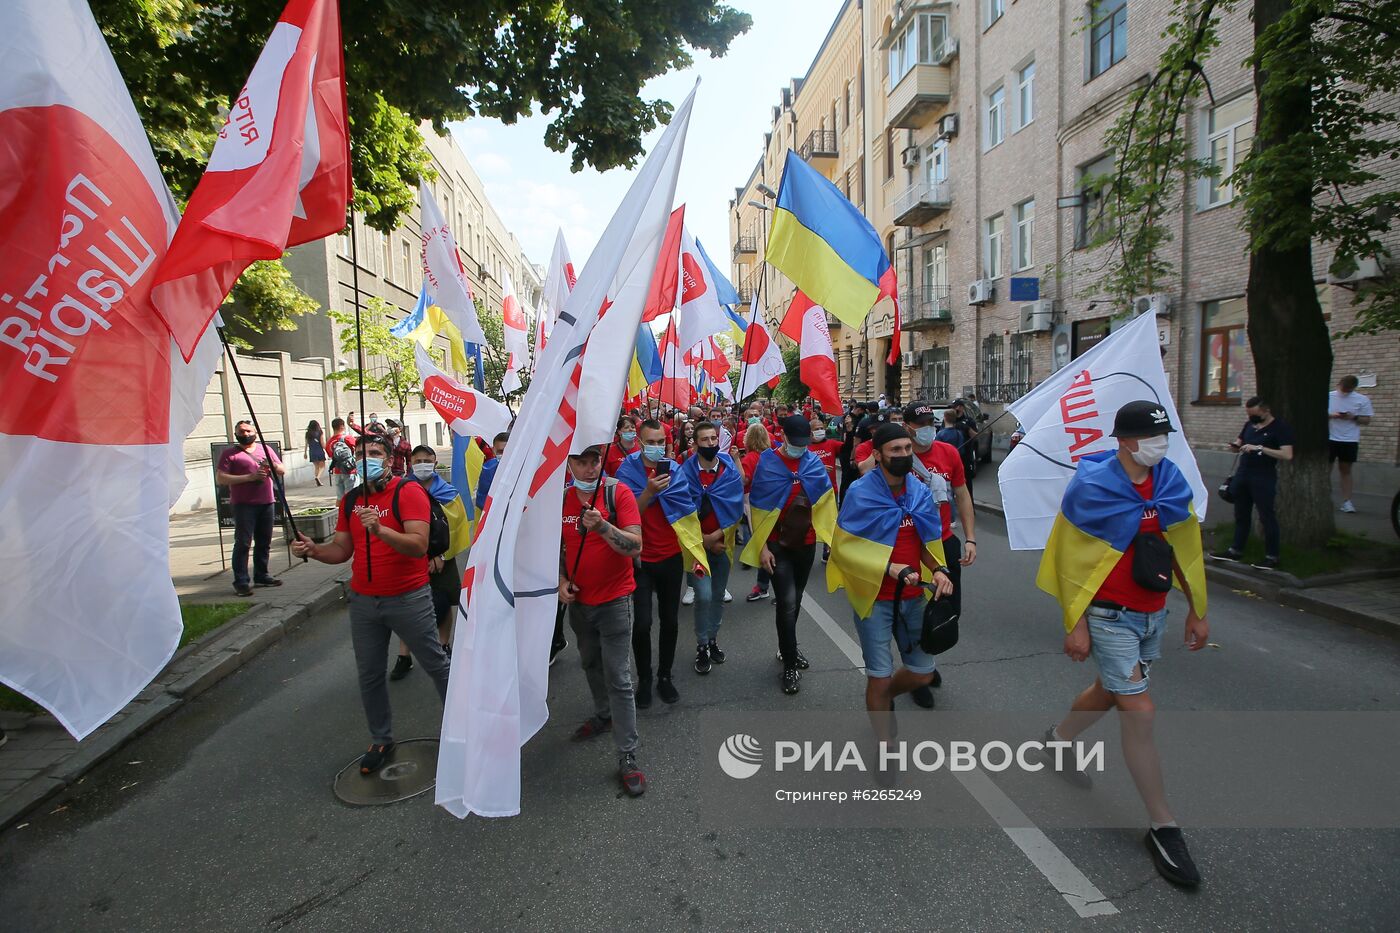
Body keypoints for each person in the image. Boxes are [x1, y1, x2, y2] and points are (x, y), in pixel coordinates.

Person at [1036, 401, 1210, 887]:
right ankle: (1163, 826)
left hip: (1154, 612)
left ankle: (1058, 739)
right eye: (1153, 436)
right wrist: (1076, 623)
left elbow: (1184, 547)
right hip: (1109, 616)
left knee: (1113, 692)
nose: (1162, 443)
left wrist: (1197, 610)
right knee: (1140, 710)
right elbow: (1070, 560)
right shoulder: (1092, 486)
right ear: (1126, 441)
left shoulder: (1171, 481)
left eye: (1165, 435)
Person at [291, 434, 451, 775]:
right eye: (362, 453)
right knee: (369, 674)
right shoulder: (350, 501)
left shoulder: (409, 493)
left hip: (408, 596)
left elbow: (417, 546)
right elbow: (341, 551)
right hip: (364, 601)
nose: (368, 458)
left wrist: (379, 529)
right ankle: (381, 738)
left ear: (391, 458)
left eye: (375, 452)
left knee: (436, 664)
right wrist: (313, 551)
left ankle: (462, 729)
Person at [830, 423, 954, 757]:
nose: (902, 455)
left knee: (922, 674)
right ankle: (886, 746)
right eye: (894, 450)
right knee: (879, 677)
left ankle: (885, 701)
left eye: (906, 449)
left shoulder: (918, 491)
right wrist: (890, 568)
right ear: (878, 455)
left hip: (914, 600)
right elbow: (844, 548)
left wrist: (939, 569)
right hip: (875, 599)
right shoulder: (860, 492)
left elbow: (926, 542)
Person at [559, 446, 647, 797]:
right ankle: (602, 713)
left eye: (594, 460)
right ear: (569, 464)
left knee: (619, 677)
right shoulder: (560, 499)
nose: (589, 467)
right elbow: (556, 549)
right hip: (580, 602)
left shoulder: (617, 491)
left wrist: (602, 526)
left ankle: (627, 755)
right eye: (580, 461)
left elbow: (635, 547)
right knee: (589, 661)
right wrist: (560, 580)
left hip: (615, 600)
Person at [741, 415, 837, 694]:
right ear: (782, 437)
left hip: (806, 543)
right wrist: (761, 547)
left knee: (797, 597)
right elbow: (756, 507)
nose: (800, 448)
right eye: (795, 443)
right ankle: (790, 664)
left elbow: (826, 501)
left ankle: (787, 649)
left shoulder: (812, 462)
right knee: (787, 602)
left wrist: (832, 538)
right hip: (776, 545)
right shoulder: (767, 463)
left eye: (804, 443)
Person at [903, 402, 979, 708]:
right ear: (907, 425)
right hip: (911, 545)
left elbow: (961, 493)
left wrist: (970, 538)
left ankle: (926, 661)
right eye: (919, 424)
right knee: (916, 613)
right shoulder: (899, 453)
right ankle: (917, 673)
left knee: (946, 610)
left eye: (930, 423)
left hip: (944, 541)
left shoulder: (947, 452)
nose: (927, 429)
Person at [616, 420, 694, 707]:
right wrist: (649, 492)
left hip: (670, 557)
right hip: (640, 560)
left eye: (662, 441)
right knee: (643, 624)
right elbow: (625, 515)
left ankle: (665, 676)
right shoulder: (627, 470)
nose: (658, 447)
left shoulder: (674, 470)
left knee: (670, 620)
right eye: (652, 441)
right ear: (639, 440)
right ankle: (645, 679)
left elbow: (686, 509)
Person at [389, 446, 468, 682]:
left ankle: (444, 646)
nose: (423, 464)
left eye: (427, 460)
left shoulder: (448, 492)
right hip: (411, 560)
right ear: (410, 462)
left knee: (444, 603)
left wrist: (442, 556)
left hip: (444, 560)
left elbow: (458, 528)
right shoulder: (401, 490)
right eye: (418, 460)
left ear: (434, 463)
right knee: (408, 609)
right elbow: (396, 525)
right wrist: (420, 556)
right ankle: (405, 655)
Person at [678, 422, 745, 674]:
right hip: (696, 547)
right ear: (695, 443)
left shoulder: (728, 471)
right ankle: (701, 644)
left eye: (713, 439)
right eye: (704, 440)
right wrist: (703, 539)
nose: (710, 444)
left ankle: (713, 638)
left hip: (721, 546)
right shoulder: (684, 473)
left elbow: (736, 508)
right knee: (703, 596)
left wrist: (718, 536)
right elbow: (680, 511)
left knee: (717, 596)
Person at [1215, 397, 1294, 570]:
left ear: (1266, 411)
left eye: (1255, 415)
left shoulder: (1280, 428)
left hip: (1263, 476)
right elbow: (1240, 441)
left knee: (1267, 516)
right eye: (1249, 414)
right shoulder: (1249, 425)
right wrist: (1236, 446)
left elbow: (1287, 455)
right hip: (1243, 474)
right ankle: (1236, 550)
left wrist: (1260, 448)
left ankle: (1272, 556)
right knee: (1241, 514)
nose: (1252, 418)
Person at [216, 421, 287, 597]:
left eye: (248, 430)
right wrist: (250, 477)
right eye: (241, 431)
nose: (245, 434)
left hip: (267, 502)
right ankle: (241, 581)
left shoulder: (266, 450)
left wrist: (273, 466)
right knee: (243, 543)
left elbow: (282, 470)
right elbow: (221, 478)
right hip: (243, 504)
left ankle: (262, 575)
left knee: (264, 541)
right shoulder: (229, 454)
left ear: (254, 431)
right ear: (235, 434)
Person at [1328, 375, 1373, 513]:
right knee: (1325, 469)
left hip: (1350, 439)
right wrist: (1333, 415)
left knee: (1345, 470)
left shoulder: (1361, 399)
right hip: (1330, 438)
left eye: (1348, 390)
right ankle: (1323, 498)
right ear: (1339, 384)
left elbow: (1367, 420)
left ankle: (1347, 502)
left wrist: (1353, 417)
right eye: (1344, 388)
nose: (1345, 391)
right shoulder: (1329, 396)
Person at [741, 422, 774, 602]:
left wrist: (736, 462)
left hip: (754, 504)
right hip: (774, 503)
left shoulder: (750, 458)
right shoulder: (772, 455)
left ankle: (762, 586)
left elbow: (744, 480)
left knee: (762, 543)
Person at [475, 432, 510, 511]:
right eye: (500, 451)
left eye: (507, 451)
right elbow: (482, 500)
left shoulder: (524, 468)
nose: (504, 455)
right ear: (493, 450)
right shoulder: (488, 469)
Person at [326, 418, 358, 500]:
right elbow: (359, 447)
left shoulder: (329, 442)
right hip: (350, 470)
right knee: (352, 496)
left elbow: (330, 455)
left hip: (337, 471)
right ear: (342, 426)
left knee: (340, 498)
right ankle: (351, 512)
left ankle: (341, 512)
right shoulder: (347, 438)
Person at [305, 420, 327, 487]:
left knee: (316, 467)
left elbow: (306, 444)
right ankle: (318, 477)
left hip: (312, 451)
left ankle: (318, 480)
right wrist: (327, 449)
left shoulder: (307, 433)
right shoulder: (320, 432)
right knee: (322, 466)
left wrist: (305, 453)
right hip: (319, 450)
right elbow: (322, 443)